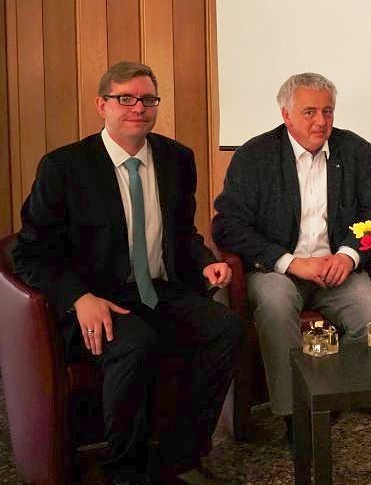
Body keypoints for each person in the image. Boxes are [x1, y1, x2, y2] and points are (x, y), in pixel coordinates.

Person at [12, 61, 242, 484]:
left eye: (148, 99)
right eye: (125, 98)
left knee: (224, 327)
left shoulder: (176, 159)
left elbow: (181, 232)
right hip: (96, 297)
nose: (139, 107)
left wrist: (204, 261)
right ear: (102, 105)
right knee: (135, 343)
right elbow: (29, 252)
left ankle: (182, 457)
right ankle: (126, 471)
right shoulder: (64, 167)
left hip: (158, 290)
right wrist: (78, 298)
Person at [211, 72, 371, 437]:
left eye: (327, 111)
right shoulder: (254, 155)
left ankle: (333, 394)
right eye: (309, 112)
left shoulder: (354, 151)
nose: (320, 121)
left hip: (336, 268)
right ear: (286, 115)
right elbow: (227, 225)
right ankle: (297, 415)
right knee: (276, 308)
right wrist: (291, 262)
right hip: (277, 270)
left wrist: (348, 256)